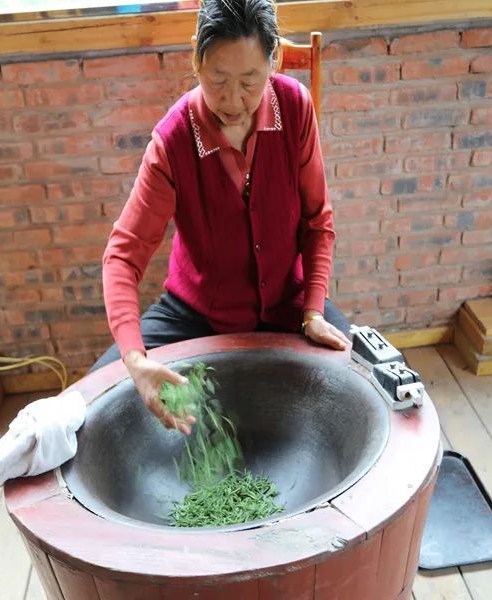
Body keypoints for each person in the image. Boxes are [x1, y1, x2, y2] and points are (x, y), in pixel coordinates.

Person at [93, 0, 351, 434]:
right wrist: (136, 359)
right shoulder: (173, 140)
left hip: (290, 305)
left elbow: (316, 222)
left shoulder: (294, 108)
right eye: (218, 80)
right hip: (195, 312)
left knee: (356, 384)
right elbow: (123, 255)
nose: (233, 101)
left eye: (250, 82)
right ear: (196, 56)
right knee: (98, 399)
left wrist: (312, 311)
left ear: (276, 61)